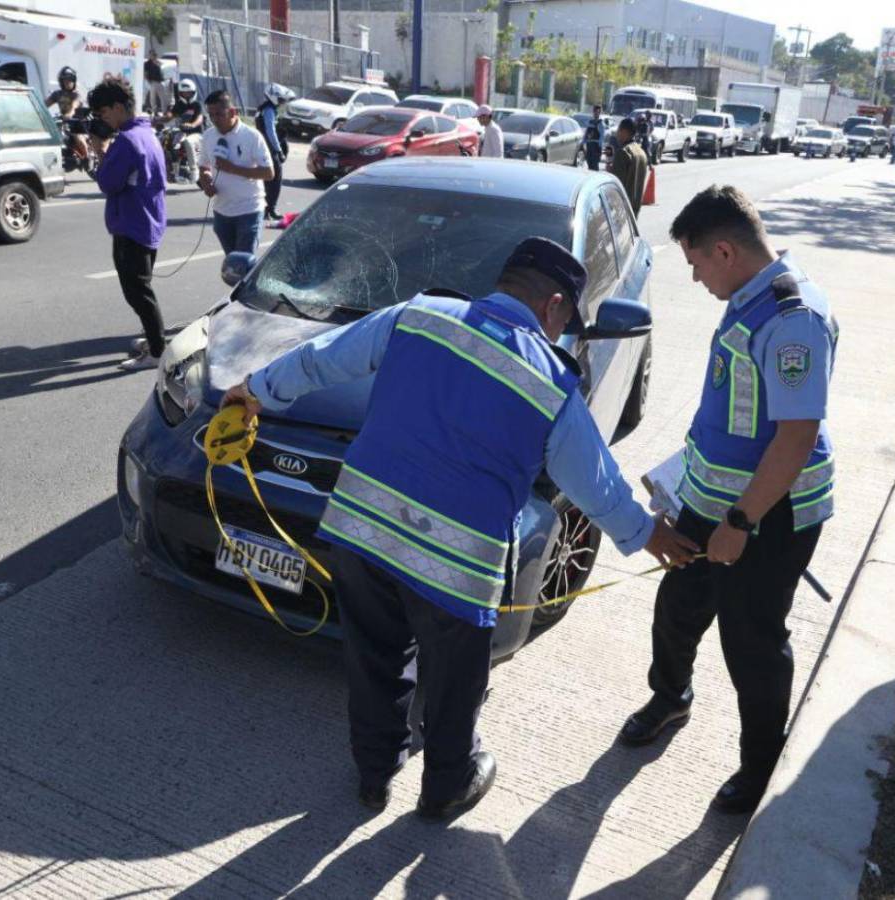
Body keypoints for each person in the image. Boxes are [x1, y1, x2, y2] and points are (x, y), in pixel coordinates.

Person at [220, 238, 698, 819]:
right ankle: (447, 784)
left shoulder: (419, 316)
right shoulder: (549, 381)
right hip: (454, 568)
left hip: (360, 533)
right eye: (564, 320)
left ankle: (374, 773)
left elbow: (322, 357)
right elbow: (595, 482)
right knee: (454, 684)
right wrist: (650, 535)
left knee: (375, 657)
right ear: (552, 306)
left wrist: (256, 390)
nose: (559, 331)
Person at [618, 185, 839, 816]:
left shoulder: (792, 317)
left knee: (752, 642)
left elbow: (796, 437)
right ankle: (671, 697)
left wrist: (741, 522)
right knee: (679, 607)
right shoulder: (751, 299)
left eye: (694, 264)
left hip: (768, 517)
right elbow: (734, 418)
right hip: (712, 504)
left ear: (723, 249)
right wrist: (679, 485)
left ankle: (760, 764)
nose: (694, 278)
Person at [87, 78, 169, 371]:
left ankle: (158, 351)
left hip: (132, 225)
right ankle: (154, 339)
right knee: (142, 289)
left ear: (118, 107)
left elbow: (108, 182)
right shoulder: (147, 133)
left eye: (103, 113)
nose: (102, 119)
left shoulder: (126, 141)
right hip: (149, 222)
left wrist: (99, 151)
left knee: (138, 292)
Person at [197, 90, 274, 256]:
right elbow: (203, 166)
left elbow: (268, 173)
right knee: (233, 264)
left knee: (243, 264)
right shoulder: (208, 136)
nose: (214, 119)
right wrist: (206, 182)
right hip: (222, 212)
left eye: (219, 114)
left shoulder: (252, 136)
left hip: (249, 210)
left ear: (232, 112)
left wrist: (232, 169)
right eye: (211, 115)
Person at [256, 82, 294, 220]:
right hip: (270, 149)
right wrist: (279, 151)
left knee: (267, 180)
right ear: (274, 97)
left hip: (263, 147)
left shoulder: (264, 108)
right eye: (281, 99)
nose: (282, 102)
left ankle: (266, 209)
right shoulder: (269, 110)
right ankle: (270, 209)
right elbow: (270, 131)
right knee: (275, 180)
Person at [611, 117, 649, 216]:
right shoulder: (641, 153)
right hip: (634, 210)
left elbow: (615, 186)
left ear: (624, 132)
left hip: (620, 210)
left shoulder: (623, 153)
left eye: (618, 130)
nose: (617, 134)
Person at [583, 104, 606, 170]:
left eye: (598, 112)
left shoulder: (601, 123)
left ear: (600, 113)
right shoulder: (590, 122)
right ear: (593, 112)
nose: (596, 113)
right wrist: (584, 143)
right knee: (589, 164)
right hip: (589, 145)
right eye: (595, 111)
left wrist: (599, 148)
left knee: (595, 166)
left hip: (595, 146)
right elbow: (586, 133)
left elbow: (602, 137)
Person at [144, 50, 165, 114]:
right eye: (152, 55)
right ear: (149, 55)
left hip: (160, 82)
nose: (153, 56)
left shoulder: (158, 62)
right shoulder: (147, 63)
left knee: (163, 98)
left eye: (154, 55)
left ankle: (164, 111)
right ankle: (155, 111)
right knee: (152, 98)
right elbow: (145, 73)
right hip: (152, 82)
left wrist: (156, 62)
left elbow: (163, 70)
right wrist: (148, 81)